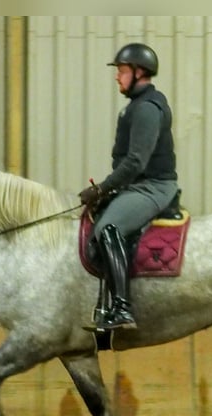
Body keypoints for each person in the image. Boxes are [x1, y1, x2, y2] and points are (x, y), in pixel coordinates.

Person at [80, 42, 179, 331]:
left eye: (122, 71)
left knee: (108, 228)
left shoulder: (147, 108)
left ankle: (122, 308)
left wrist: (101, 189)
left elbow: (136, 162)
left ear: (139, 73)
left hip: (153, 187)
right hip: (138, 186)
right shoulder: (136, 106)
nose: (117, 77)